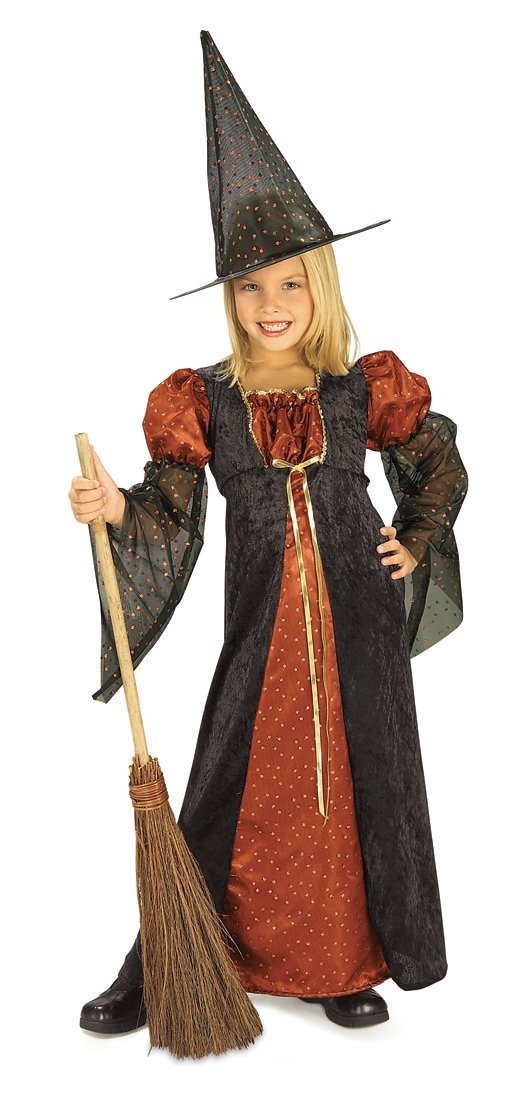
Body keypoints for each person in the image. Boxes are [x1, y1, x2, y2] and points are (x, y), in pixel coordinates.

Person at [69, 30, 468, 1038]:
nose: (270, 304)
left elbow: (438, 463)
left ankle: (341, 962)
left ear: (319, 286)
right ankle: (170, 958)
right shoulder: (203, 398)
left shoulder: (357, 389)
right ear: (229, 299)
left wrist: (416, 534)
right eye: (250, 287)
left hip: (356, 629)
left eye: (290, 283)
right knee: (229, 789)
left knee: (356, 792)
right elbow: (168, 509)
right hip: (261, 637)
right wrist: (113, 509)